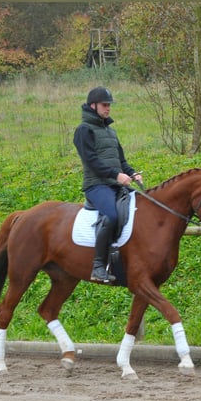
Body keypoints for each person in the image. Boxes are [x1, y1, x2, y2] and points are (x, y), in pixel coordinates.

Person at [73, 86, 143, 283]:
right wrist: (116, 175)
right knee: (111, 216)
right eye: (105, 105)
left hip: (115, 184)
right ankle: (98, 266)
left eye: (109, 105)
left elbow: (121, 160)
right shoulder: (83, 130)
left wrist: (131, 173)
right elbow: (91, 161)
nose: (108, 108)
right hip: (96, 186)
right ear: (93, 105)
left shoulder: (110, 132)